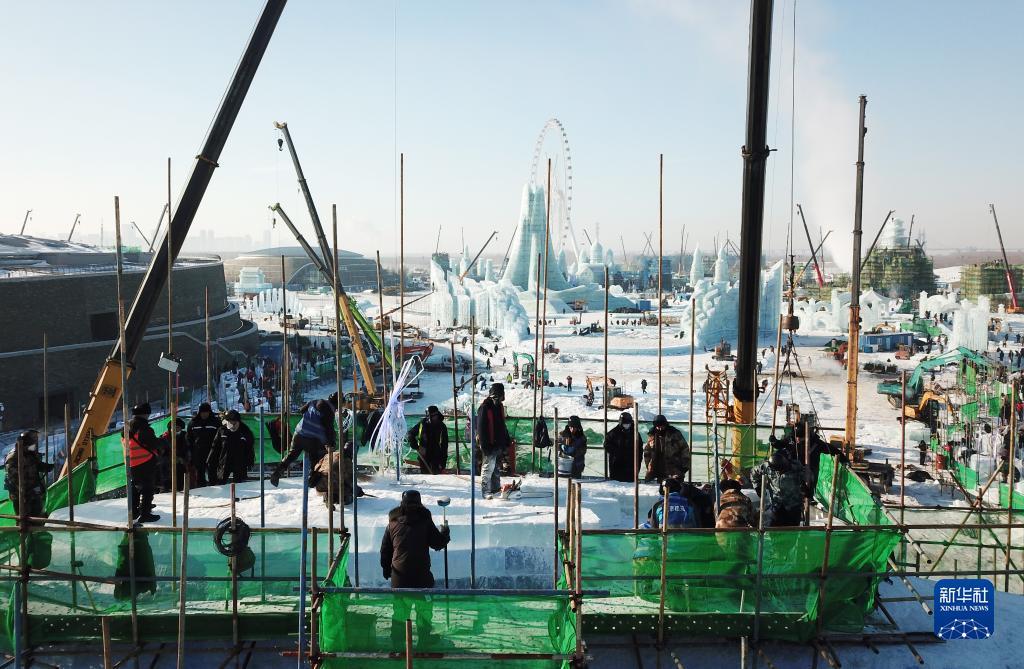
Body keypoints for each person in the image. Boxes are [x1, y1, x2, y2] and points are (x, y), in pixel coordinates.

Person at [380, 489, 450, 587]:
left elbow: (385, 550)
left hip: (399, 578)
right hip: (422, 578)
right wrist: (445, 533)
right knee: (426, 593)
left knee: (400, 596)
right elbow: (437, 544)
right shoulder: (425, 521)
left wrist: (386, 569)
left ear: (402, 503)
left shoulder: (392, 524)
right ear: (419, 503)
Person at [270, 392, 338, 487]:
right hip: (313, 439)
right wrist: (331, 443)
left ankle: (276, 473)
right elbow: (328, 429)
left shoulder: (315, 401)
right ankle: (312, 480)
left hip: (299, 433)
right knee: (317, 459)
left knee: (291, 455)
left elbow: (302, 410)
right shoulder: (329, 412)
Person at [749, 443, 808, 527]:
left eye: (781, 470)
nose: (779, 472)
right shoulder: (767, 466)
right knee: (773, 528)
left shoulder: (796, 467)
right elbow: (754, 472)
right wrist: (757, 486)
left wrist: (806, 487)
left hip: (792, 505)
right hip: (776, 504)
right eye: (777, 471)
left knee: (792, 529)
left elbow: (809, 476)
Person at [4, 430, 53, 521]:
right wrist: (23, 493)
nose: (35, 444)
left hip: (33, 491)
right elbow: (13, 479)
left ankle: (38, 527)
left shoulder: (29, 453)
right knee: (24, 520)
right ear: (26, 443)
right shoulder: (14, 457)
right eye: (33, 442)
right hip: (22, 495)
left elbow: (36, 465)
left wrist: (47, 467)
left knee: (38, 516)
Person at [126, 403, 163, 523]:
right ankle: (145, 513)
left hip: (131, 463)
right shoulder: (144, 428)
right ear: (146, 414)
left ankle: (134, 511)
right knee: (147, 489)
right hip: (144, 462)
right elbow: (153, 444)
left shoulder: (126, 428)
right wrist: (163, 441)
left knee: (135, 488)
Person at [476, 383, 512, 499]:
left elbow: (502, 425)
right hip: (489, 443)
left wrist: (506, 439)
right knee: (488, 468)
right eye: (501, 396)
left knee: (496, 467)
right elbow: (481, 428)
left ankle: (495, 488)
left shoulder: (499, 407)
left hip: (498, 442)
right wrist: (484, 445)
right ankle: (486, 491)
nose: (502, 399)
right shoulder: (485, 408)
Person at [642, 477, 713, 529]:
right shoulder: (689, 503)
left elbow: (653, 528)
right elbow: (698, 526)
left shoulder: (658, 505)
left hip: (666, 542)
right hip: (688, 542)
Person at [643, 415, 690, 482]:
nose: (660, 429)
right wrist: (649, 466)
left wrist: (684, 467)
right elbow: (647, 452)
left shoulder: (675, 434)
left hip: (674, 470)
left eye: (661, 426)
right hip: (657, 470)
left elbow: (685, 449)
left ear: (665, 425)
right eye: (658, 427)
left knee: (674, 486)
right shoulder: (652, 436)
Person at [214, 410, 255, 484]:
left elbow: (250, 447)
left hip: (240, 462)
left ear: (238, 422)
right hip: (224, 461)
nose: (232, 425)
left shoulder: (245, 431)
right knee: (221, 483)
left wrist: (250, 461)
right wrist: (212, 461)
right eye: (230, 422)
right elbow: (215, 447)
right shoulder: (222, 430)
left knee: (239, 485)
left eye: (234, 422)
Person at [407, 405, 449, 475]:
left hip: (436, 456)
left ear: (437, 415)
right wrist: (414, 444)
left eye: (432, 416)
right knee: (425, 476)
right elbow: (411, 433)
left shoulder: (442, 426)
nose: (430, 419)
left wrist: (443, 463)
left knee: (435, 476)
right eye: (428, 416)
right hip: (423, 454)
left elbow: (444, 445)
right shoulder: (422, 424)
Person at [186, 402, 219, 487]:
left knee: (212, 472)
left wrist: (218, 450)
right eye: (202, 412)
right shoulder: (193, 423)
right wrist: (191, 452)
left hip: (212, 452)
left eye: (206, 412)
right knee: (200, 473)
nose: (204, 414)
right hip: (198, 452)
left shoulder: (215, 422)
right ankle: (201, 489)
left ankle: (214, 487)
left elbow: (220, 437)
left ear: (209, 412)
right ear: (199, 412)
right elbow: (189, 438)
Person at [604, 412, 641, 482]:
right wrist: (617, 452)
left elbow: (640, 449)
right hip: (617, 465)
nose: (627, 426)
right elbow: (606, 445)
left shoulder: (635, 433)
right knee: (617, 483)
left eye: (628, 424)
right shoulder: (613, 433)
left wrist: (638, 463)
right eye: (625, 424)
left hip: (631, 465)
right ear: (621, 423)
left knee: (630, 484)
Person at [158, 418, 190, 492]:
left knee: (180, 487)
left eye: (178, 427)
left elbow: (188, 451)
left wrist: (183, 460)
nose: (176, 429)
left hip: (181, 467)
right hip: (167, 469)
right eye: (174, 427)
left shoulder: (185, 437)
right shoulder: (164, 438)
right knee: (166, 488)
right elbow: (160, 454)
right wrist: (171, 459)